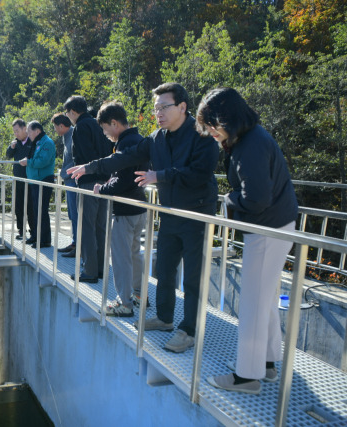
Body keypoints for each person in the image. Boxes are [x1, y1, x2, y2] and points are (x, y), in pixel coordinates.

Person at [68, 83, 219, 353]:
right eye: (156, 108)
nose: (158, 113)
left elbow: (200, 172)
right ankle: (164, 318)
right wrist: (91, 167)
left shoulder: (202, 136)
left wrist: (160, 176)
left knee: (194, 276)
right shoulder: (156, 138)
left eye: (164, 107)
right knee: (165, 269)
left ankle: (188, 330)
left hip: (197, 214)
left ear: (182, 107)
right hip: (170, 212)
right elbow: (124, 158)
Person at [195, 88, 298, 394]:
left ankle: (246, 377)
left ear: (224, 119)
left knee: (253, 304)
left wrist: (228, 197)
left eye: (211, 126)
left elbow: (255, 200)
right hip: (276, 227)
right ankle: (265, 364)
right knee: (263, 300)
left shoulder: (250, 145)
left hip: (267, 230)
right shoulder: (252, 137)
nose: (211, 133)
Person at [94, 101, 149, 317]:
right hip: (139, 207)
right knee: (134, 253)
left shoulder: (125, 144)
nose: (105, 133)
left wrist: (102, 188)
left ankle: (124, 302)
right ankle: (138, 295)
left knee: (120, 257)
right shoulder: (139, 140)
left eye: (105, 128)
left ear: (114, 123)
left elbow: (123, 179)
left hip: (125, 209)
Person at [64, 95, 113, 283]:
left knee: (86, 227)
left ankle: (89, 271)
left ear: (73, 112)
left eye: (68, 114)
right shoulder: (99, 124)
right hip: (105, 181)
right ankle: (100, 269)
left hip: (88, 182)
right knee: (100, 227)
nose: (69, 117)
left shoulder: (80, 128)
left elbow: (82, 156)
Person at [19, 121, 56, 248]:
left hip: (43, 179)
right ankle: (35, 236)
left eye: (29, 131)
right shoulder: (37, 142)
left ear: (37, 131)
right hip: (35, 180)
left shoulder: (47, 142)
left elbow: (43, 161)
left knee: (41, 210)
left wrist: (28, 162)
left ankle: (44, 240)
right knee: (35, 210)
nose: (28, 134)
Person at [51, 113, 77, 257]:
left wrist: (68, 173)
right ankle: (74, 242)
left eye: (55, 127)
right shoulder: (66, 136)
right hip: (68, 179)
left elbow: (75, 159)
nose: (55, 130)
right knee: (72, 214)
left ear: (61, 126)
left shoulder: (73, 135)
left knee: (76, 214)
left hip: (73, 179)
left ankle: (78, 245)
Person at [6, 119, 36, 241]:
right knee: (19, 206)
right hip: (18, 180)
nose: (16, 134)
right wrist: (11, 147)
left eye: (17, 131)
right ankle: (21, 230)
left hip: (30, 179)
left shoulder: (32, 141)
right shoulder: (16, 143)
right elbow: (8, 155)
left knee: (31, 207)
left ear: (25, 128)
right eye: (14, 132)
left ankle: (33, 231)